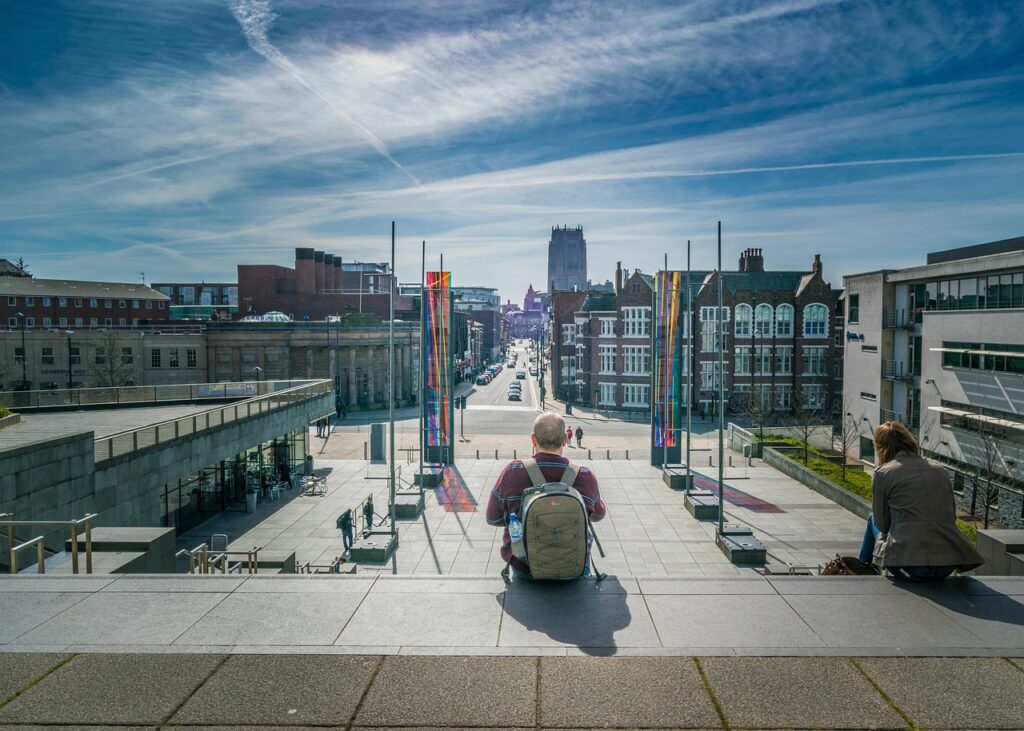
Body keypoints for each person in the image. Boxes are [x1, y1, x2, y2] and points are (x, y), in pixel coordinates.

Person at [486, 412, 606, 578]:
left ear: (533, 439)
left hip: (524, 567)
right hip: (574, 566)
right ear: (565, 439)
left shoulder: (512, 472)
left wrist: (520, 520)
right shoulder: (584, 476)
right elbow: (598, 515)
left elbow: (492, 518)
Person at [858, 421, 982, 580]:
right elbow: (950, 516)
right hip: (946, 563)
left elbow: (882, 524)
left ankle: (860, 572)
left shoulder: (883, 473)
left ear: (880, 447)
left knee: (872, 519)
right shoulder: (940, 470)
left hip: (905, 565)